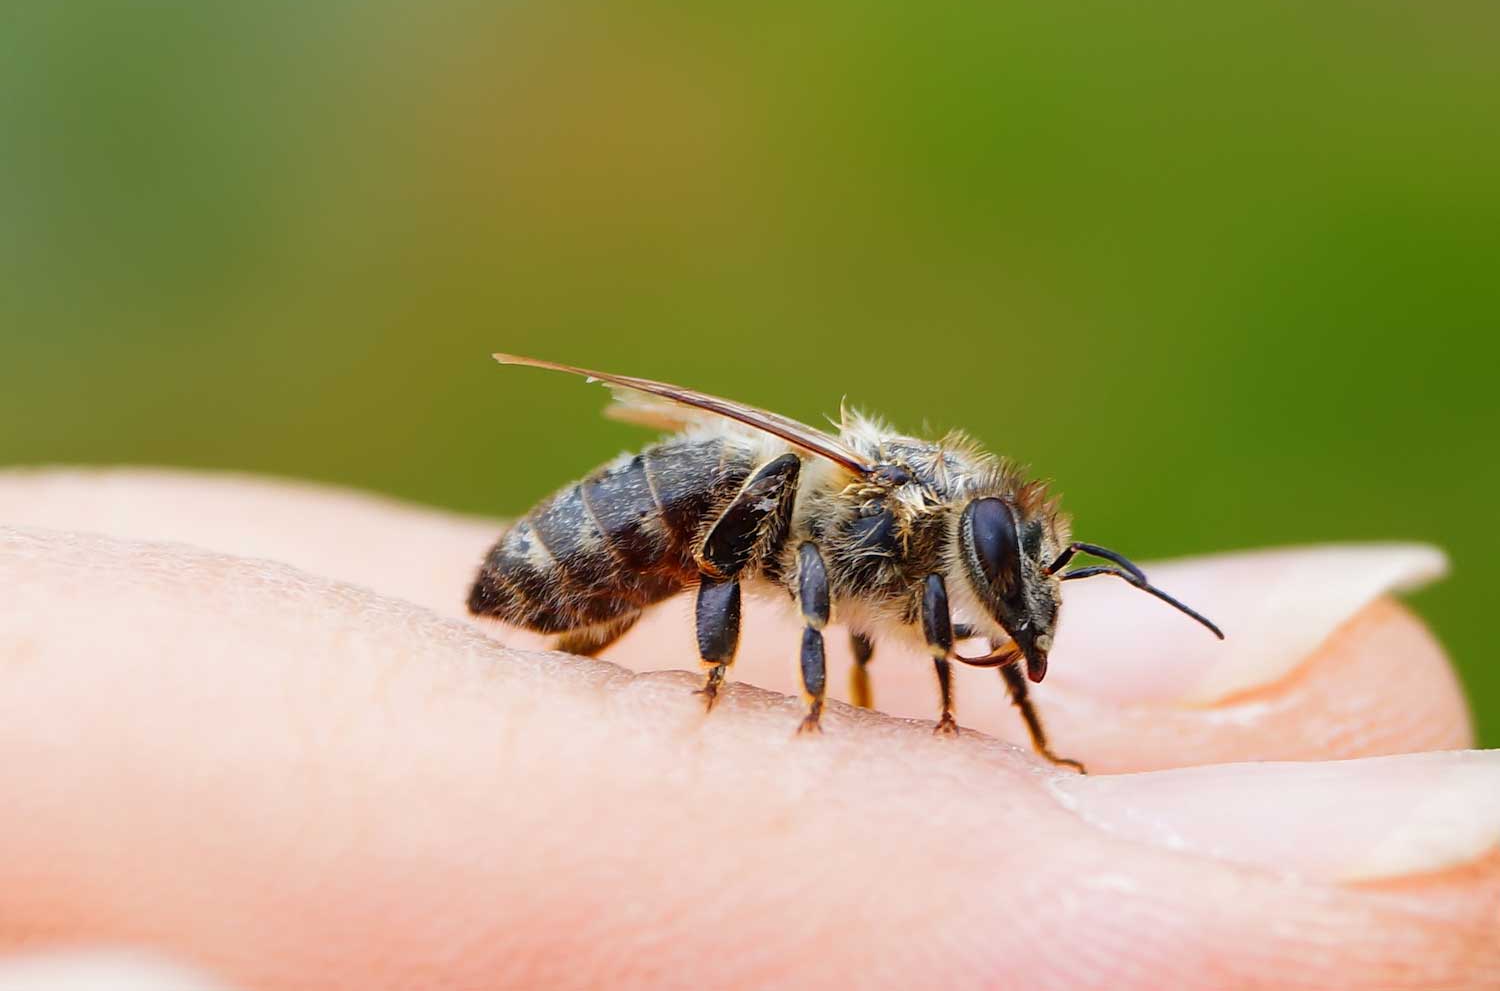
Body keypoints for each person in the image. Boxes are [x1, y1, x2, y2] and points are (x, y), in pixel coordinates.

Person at [0, 471, 1494, 990]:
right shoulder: (861, 517)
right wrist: (733, 695)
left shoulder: (924, 565)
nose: (1010, 613)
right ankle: (683, 677)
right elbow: (758, 554)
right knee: (721, 537)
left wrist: (1022, 721)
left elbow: (923, 627)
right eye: (1006, 577)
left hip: (691, 544)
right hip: (642, 530)